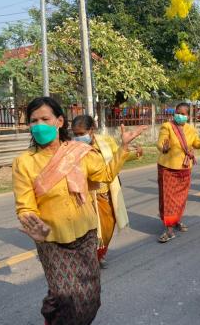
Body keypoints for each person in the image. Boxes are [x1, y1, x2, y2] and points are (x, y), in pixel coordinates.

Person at [12, 97, 145, 325]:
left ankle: (52, 315)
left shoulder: (79, 152)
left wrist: (123, 149)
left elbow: (104, 176)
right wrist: (32, 224)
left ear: (60, 121)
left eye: (45, 118)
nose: (39, 125)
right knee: (66, 298)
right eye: (33, 121)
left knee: (90, 297)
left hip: (86, 234)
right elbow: (25, 205)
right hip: (52, 240)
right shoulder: (24, 162)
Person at [72, 115, 143, 269]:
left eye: (81, 133)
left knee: (107, 228)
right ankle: (90, 259)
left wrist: (134, 153)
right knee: (89, 231)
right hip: (87, 196)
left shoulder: (105, 141)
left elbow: (116, 157)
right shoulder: (71, 148)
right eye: (75, 134)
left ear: (92, 130)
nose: (78, 137)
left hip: (107, 192)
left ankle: (99, 254)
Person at [156, 102, 200, 243]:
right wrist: (163, 148)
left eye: (183, 114)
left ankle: (176, 220)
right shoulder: (167, 126)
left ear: (188, 116)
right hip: (168, 168)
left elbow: (197, 143)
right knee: (169, 199)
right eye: (178, 112)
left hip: (185, 168)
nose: (180, 115)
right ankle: (169, 230)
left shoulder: (191, 129)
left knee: (181, 198)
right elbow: (161, 142)